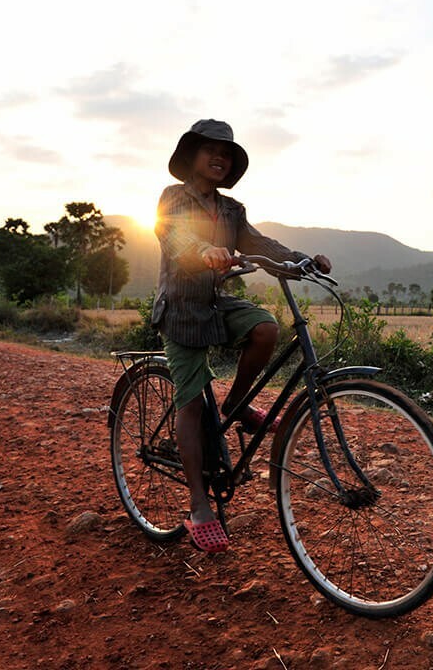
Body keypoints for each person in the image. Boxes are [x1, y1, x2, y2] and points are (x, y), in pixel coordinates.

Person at [152, 119, 331, 553]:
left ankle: (236, 402)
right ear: (192, 155)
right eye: (211, 150)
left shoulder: (232, 210)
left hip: (216, 304)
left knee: (266, 327)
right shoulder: (173, 198)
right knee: (191, 402)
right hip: (181, 310)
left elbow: (257, 242)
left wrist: (301, 260)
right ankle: (198, 506)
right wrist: (204, 250)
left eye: (227, 153)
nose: (220, 158)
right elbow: (175, 235)